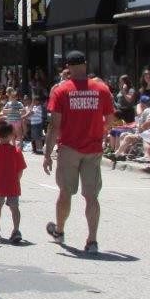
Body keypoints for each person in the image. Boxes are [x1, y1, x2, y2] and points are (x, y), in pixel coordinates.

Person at [43, 50, 115, 254]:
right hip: (92, 149)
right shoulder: (101, 89)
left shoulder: (61, 90)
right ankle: (92, 241)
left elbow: (54, 125)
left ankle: (60, 231)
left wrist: (47, 154)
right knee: (91, 197)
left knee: (65, 192)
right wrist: (97, 130)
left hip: (69, 148)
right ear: (85, 64)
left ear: (68, 67)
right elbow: (109, 121)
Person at [0, 121, 27, 243]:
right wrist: (16, 180)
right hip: (13, 184)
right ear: (11, 135)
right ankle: (16, 230)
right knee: (15, 208)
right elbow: (20, 170)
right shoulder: (17, 152)